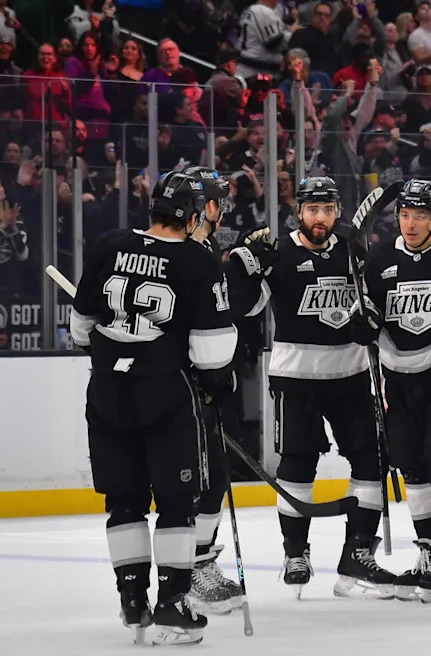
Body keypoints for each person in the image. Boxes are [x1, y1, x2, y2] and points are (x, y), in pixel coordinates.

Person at [70, 171, 238, 646]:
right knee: (176, 504)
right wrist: (216, 385)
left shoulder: (109, 244)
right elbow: (212, 354)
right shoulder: (198, 261)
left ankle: (132, 601)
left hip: (106, 394)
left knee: (123, 502)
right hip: (166, 396)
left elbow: (80, 329)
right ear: (191, 215)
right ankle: (173, 605)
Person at [226, 176, 396, 599]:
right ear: (299, 212)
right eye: (313, 209)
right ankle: (295, 553)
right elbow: (244, 308)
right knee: (298, 464)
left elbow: (373, 303)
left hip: (351, 376)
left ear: (338, 212)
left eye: (328, 209)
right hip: (295, 379)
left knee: (371, 462)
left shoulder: (354, 251)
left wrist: (370, 321)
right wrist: (243, 269)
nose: (320, 217)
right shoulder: (279, 253)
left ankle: (358, 553)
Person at [356, 179, 431, 602]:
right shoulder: (381, 258)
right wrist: (365, 322)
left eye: (420, 216)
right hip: (398, 378)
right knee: (411, 466)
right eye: (405, 215)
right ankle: (427, 551)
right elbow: (369, 306)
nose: (410, 224)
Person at [177, 166, 245, 616]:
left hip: (203, 380)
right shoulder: (186, 252)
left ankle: (197, 562)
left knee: (214, 474)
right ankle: (188, 571)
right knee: (195, 478)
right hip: (184, 385)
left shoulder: (204, 249)